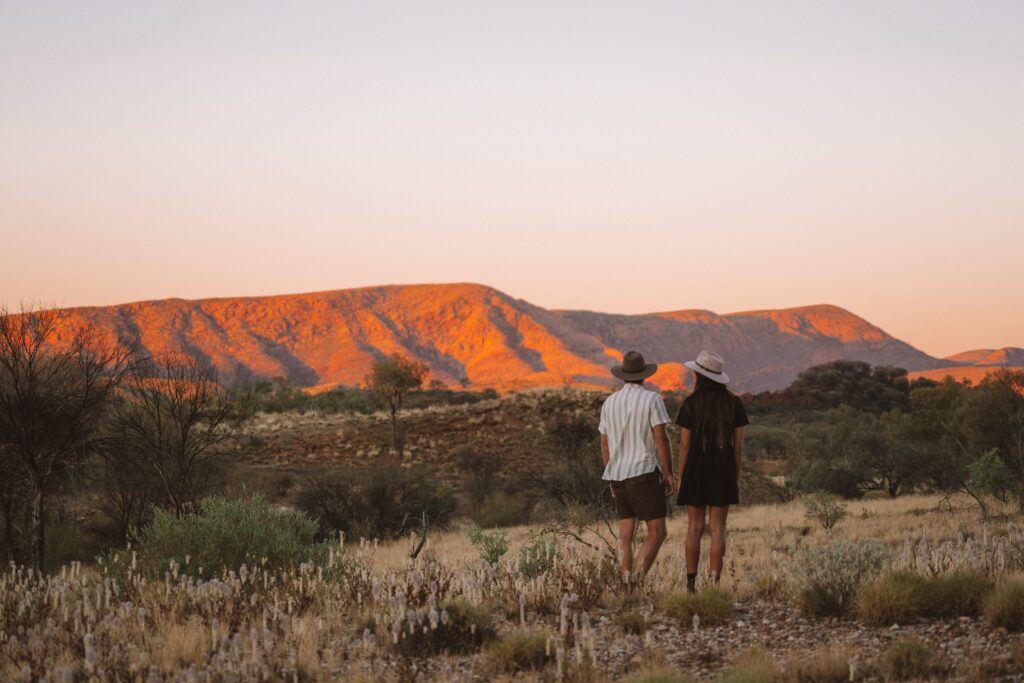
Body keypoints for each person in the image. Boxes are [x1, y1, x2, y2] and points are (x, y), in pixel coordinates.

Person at [674, 350, 749, 593]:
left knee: (694, 528)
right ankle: (714, 585)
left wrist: (682, 475)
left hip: (696, 469)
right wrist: (735, 475)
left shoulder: (690, 403)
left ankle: (691, 585)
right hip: (723, 470)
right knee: (718, 529)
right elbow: (737, 446)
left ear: (699, 374)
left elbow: (684, 444)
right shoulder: (734, 403)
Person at [599, 350, 675, 580]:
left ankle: (624, 579)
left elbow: (604, 442)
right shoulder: (652, 399)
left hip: (618, 475)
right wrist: (669, 474)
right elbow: (660, 439)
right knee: (657, 532)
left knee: (625, 533)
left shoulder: (609, 403)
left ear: (623, 375)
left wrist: (611, 474)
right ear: (644, 375)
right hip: (643, 472)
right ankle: (636, 581)